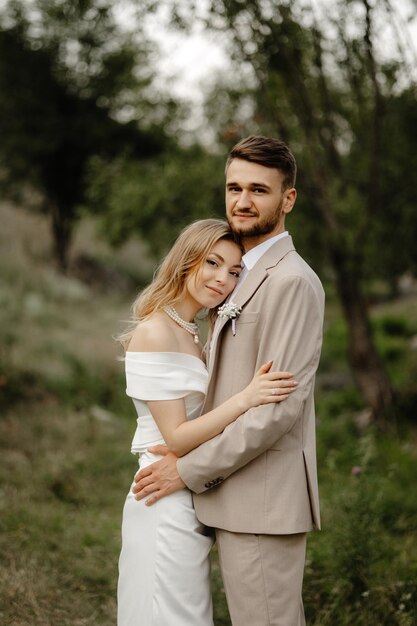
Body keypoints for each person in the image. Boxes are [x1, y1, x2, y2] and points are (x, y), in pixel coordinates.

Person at [133, 136, 325, 626]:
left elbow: (278, 410)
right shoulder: (240, 274)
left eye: (259, 190)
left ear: (288, 199)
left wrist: (188, 469)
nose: (242, 201)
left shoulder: (290, 282)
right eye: (233, 187)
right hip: (228, 497)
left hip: (261, 499)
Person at [117, 218, 297, 626]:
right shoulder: (155, 332)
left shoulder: (193, 332)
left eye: (234, 272)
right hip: (160, 497)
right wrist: (247, 398)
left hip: (187, 494)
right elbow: (177, 438)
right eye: (212, 263)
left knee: (189, 613)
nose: (222, 279)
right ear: (186, 261)